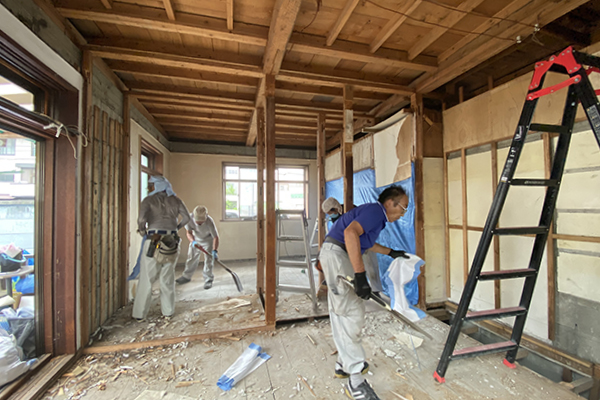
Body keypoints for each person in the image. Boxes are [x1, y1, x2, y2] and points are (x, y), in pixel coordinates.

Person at [319, 185, 410, 400]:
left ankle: (343, 363)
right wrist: (360, 275)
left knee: (348, 310)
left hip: (337, 254)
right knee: (349, 312)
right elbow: (350, 233)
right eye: (403, 208)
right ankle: (356, 380)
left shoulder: (375, 217)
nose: (403, 213)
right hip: (337, 255)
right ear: (391, 203)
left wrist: (391, 252)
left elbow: (364, 243)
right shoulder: (375, 211)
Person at [133, 176, 190, 321]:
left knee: (147, 279)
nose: (148, 188)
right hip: (171, 242)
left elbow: (141, 220)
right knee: (168, 278)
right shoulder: (176, 200)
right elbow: (187, 218)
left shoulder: (148, 201)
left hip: (154, 241)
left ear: (156, 186)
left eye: (150, 185)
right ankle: (168, 312)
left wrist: (142, 231)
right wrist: (175, 228)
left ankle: (139, 314)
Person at [176, 206, 220, 289]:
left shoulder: (209, 221)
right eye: (198, 222)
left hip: (208, 240)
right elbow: (188, 233)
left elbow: (215, 237)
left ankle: (208, 279)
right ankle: (186, 276)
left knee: (208, 260)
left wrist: (214, 250)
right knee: (191, 258)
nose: (199, 224)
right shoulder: (189, 219)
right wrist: (193, 242)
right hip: (196, 240)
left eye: (201, 222)